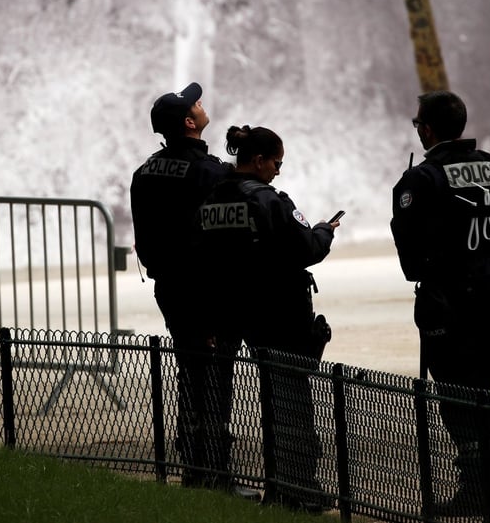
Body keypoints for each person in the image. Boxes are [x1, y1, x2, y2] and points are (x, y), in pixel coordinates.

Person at [390, 91, 490, 516]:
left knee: (455, 392)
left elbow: (411, 261)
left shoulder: (422, 180)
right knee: (485, 386)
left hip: (446, 303)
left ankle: (475, 489)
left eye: (418, 126)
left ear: (428, 130)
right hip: (489, 299)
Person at [195, 125, 340, 513]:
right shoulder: (270, 199)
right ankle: (296, 489)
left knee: (222, 395)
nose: (278, 170)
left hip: (228, 308)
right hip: (276, 310)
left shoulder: (212, 200)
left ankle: (237, 478)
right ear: (258, 160)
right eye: (276, 162)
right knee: (289, 398)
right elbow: (307, 248)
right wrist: (325, 230)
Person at [129, 82, 257, 500]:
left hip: (170, 287)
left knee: (190, 373)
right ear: (188, 123)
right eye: (196, 105)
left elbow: (145, 238)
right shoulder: (211, 172)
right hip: (211, 290)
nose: (202, 106)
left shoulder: (144, 171)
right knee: (216, 378)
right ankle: (217, 474)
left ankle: (194, 469)